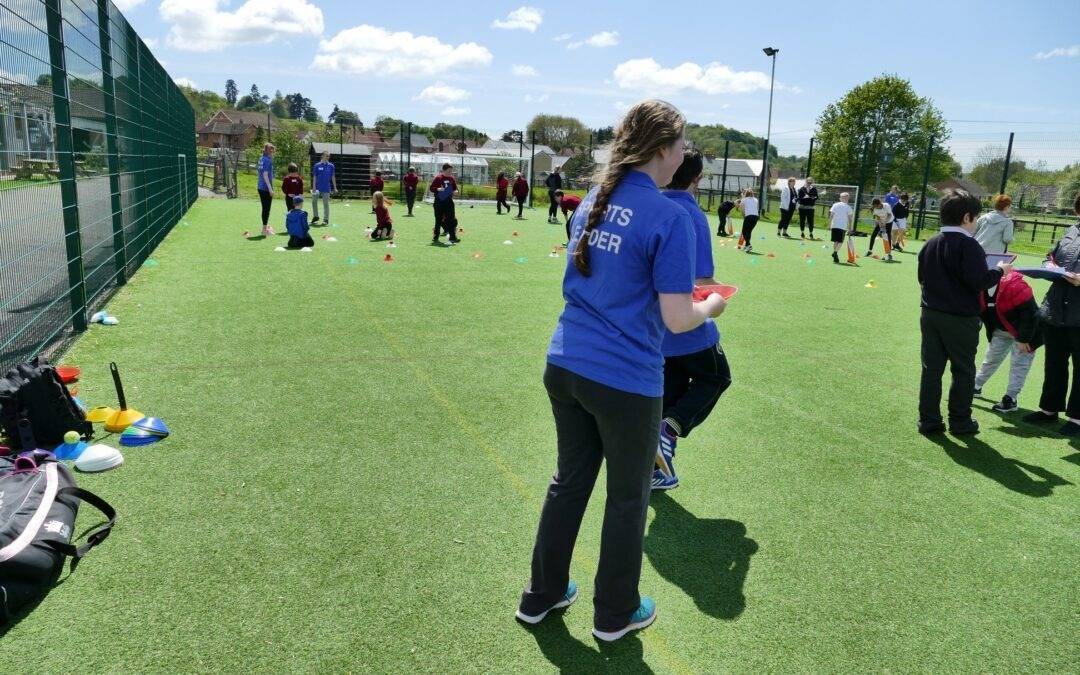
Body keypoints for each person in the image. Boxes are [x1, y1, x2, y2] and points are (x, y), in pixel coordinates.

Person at [517, 100, 723, 643]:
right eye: (681, 143)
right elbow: (679, 318)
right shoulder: (668, 215)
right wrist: (712, 308)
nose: (684, 152)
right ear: (663, 149)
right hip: (623, 379)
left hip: (564, 364)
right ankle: (615, 614)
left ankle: (540, 596)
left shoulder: (594, 199)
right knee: (629, 498)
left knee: (569, 483)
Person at [654, 150, 730, 491]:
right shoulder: (690, 214)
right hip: (688, 324)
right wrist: (719, 297)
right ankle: (669, 431)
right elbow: (701, 281)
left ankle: (657, 468)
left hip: (656, 327)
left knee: (669, 395)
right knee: (716, 377)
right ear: (697, 180)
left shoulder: (653, 205)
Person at [917, 189, 1011, 435]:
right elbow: (979, 281)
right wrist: (1001, 271)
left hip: (930, 313)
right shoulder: (970, 246)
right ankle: (960, 421)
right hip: (960, 317)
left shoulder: (930, 242)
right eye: (976, 217)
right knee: (963, 370)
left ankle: (929, 420)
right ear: (967, 217)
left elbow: (921, 277)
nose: (977, 222)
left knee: (931, 370)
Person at [1023, 192, 1080, 435]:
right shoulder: (1071, 230)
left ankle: (1076, 419)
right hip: (1056, 309)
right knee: (1054, 362)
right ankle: (1049, 410)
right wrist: (1049, 265)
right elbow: (1053, 255)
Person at [974, 271, 1042, 413]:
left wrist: (1023, 340)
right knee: (991, 358)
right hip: (1001, 330)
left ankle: (1011, 398)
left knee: (1019, 365)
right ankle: (976, 386)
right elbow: (983, 312)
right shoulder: (977, 282)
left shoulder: (1015, 285)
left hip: (1027, 333)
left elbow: (1031, 314)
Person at [429, 163, 460, 244]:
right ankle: (436, 236)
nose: (451, 172)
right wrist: (439, 189)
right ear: (444, 170)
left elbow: (456, 189)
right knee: (438, 219)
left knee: (451, 220)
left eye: (451, 171)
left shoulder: (451, 178)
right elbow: (431, 188)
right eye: (449, 171)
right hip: (439, 201)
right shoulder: (438, 178)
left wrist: (455, 192)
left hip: (449, 202)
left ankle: (452, 237)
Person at [829, 191, 855, 264]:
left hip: (834, 225)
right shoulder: (848, 207)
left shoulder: (835, 205)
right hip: (842, 227)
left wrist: (829, 224)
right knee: (840, 241)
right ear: (847, 198)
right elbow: (850, 219)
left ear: (841, 198)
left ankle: (835, 255)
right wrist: (850, 228)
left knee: (835, 241)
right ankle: (835, 252)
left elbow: (831, 215)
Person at [311, 151, 336, 226]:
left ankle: (326, 219)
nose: (328, 157)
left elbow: (333, 177)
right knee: (314, 201)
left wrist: (335, 187)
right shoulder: (317, 165)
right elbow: (315, 176)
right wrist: (314, 186)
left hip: (326, 188)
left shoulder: (331, 166)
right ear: (322, 156)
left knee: (326, 204)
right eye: (326, 156)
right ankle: (316, 217)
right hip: (317, 188)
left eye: (328, 156)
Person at [257, 143, 276, 236]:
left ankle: (265, 228)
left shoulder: (261, 158)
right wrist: (270, 189)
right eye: (273, 151)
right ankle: (264, 230)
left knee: (265, 208)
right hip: (265, 188)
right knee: (266, 209)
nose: (274, 153)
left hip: (260, 186)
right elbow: (265, 175)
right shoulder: (267, 160)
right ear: (270, 152)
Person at [867, 197, 895, 262]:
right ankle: (870, 251)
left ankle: (889, 254)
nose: (876, 207)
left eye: (877, 206)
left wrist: (885, 222)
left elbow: (889, 215)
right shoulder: (874, 209)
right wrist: (880, 223)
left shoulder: (886, 205)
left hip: (889, 221)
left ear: (880, 203)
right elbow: (877, 216)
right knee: (873, 235)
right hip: (881, 221)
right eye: (875, 206)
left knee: (888, 237)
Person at [736, 188, 759, 253]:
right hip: (756, 217)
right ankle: (746, 246)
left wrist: (745, 217)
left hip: (749, 216)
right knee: (749, 231)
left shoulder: (743, 200)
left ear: (745, 194)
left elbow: (743, 210)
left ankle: (748, 244)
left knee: (744, 231)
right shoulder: (756, 199)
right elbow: (756, 209)